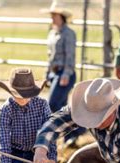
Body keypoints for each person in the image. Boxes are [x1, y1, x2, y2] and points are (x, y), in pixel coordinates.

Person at [42, 1, 85, 147]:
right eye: (52, 15)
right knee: (61, 106)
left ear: (61, 16)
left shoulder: (69, 33)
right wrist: (47, 74)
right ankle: (71, 135)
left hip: (64, 74)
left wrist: (66, 73)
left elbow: (70, 55)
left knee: (53, 104)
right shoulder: (53, 32)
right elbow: (50, 55)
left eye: (54, 15)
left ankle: (77, 129)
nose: (52, 18)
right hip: (55, 73)